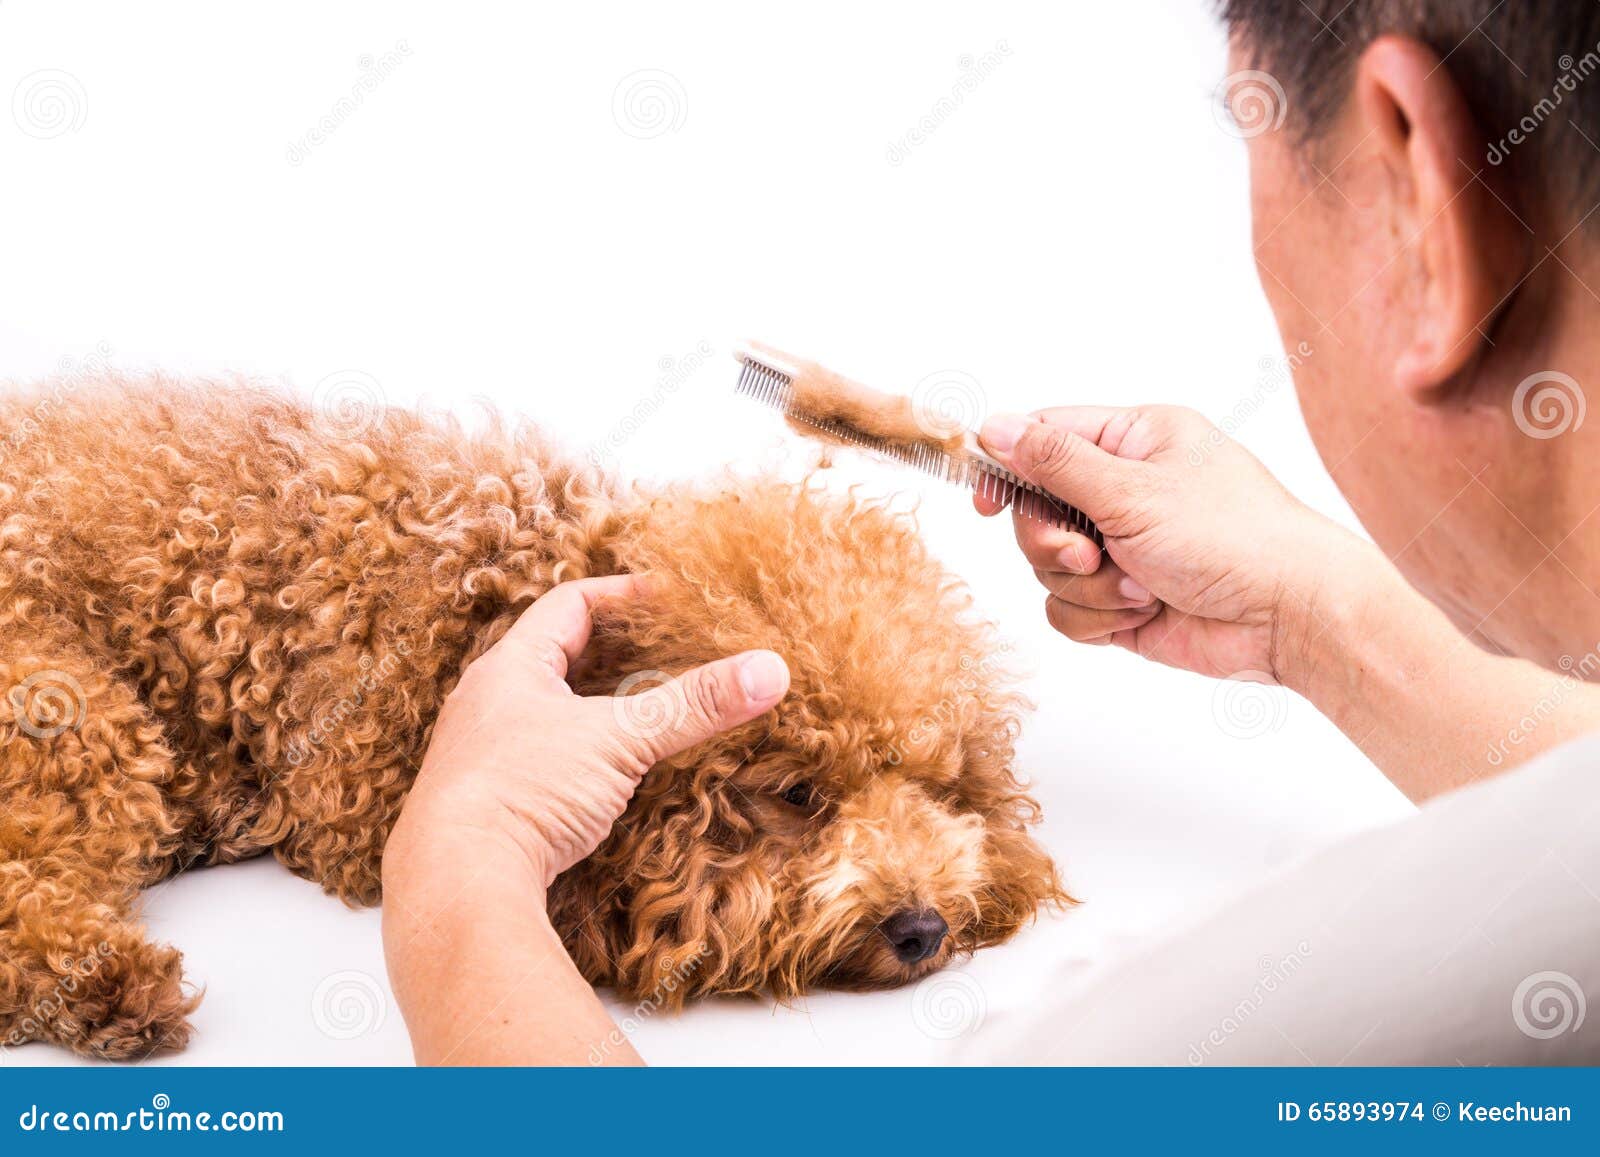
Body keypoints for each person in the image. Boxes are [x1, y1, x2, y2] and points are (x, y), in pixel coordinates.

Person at [384, 0, 1600, 1063]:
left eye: (1252, 128)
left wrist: (465, 866)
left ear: (1416, 198)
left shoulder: (1193, 1051)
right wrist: (1305, 616)